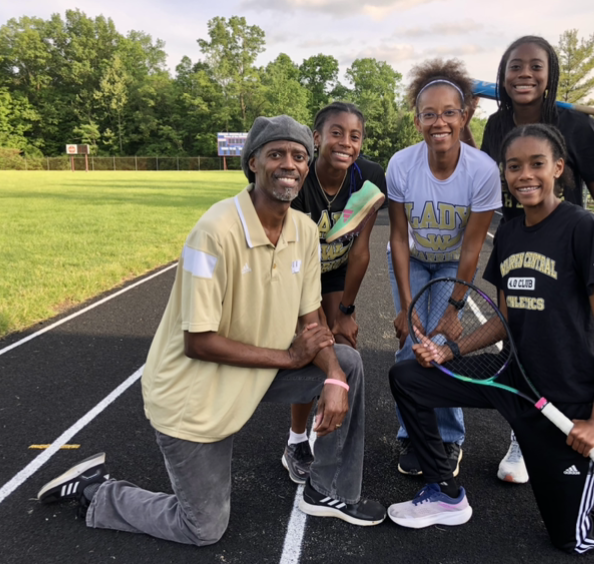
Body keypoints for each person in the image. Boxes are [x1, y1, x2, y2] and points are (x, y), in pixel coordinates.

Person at [36, 115, 387, 545]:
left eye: (298, 156)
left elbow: (311, 320)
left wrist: (331, 373)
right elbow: (198, 342)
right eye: (275, 154)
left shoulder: (303, 231)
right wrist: (290, 358)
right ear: (253, 164)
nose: (289, 165)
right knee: (202, 528)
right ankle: (96, 491)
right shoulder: (214, 232)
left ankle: (329, 489)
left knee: (348, 364)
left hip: (257, 368)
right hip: (194, 392)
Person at [387, 124, 594, 551]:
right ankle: (444, 492)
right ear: (504, 174)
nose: (524, 175)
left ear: (559, 169)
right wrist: (449, 350)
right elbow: (504, 320)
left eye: (536, 164)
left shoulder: (581, 228)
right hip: (512, 377)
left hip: (563, 400)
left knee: (576, 537)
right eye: (514, 166)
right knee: (408, 376)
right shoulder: (509, 233)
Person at [463, 35, 594, 483]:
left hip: (566, 247)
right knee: (518, 338)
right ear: (502, 76)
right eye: (515, 66)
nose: (524, 74)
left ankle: (589, 423)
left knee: (571, 341)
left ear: (551, 76)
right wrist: (466, 124)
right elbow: (488, 178)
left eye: (535, 66)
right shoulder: (496, 124)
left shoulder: (576, 124)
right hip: (515, 240)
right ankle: (522, 438)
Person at [387, 59, 502, 476]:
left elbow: (472, 248)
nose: (439, 122)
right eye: (429, 114)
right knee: (408, 342)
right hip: (413, 258)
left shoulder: (483, 171)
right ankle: (412, 434)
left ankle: (450, 438)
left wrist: (455, 308)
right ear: (417, 121)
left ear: (464, 115)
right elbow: (398, 238)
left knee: (438, 343)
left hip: (453, 262)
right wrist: (405, 305)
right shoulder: (401, 165)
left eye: (448, 112)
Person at [282, 102, 387, 485]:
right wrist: (315, 319)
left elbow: (360, 249)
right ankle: (296, 440)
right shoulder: (297, 178)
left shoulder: (369, 177)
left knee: (344, 344)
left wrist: (345, 309)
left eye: (354, 136)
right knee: (314, 345)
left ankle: (330, 438)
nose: (346, 142)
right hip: (297, 272)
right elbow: (287, 258)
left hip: (337, 270)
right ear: (316, 138)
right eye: (336, 133)